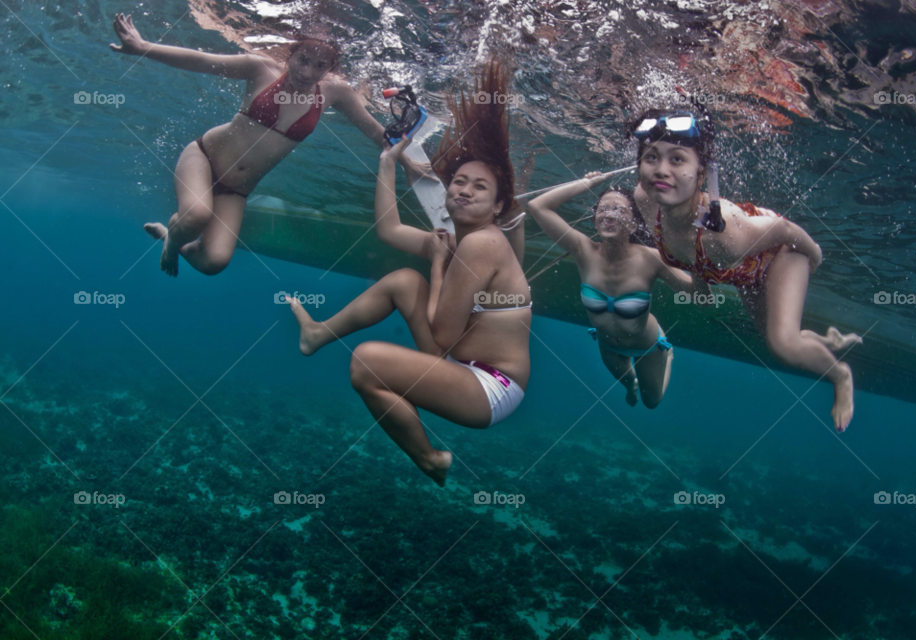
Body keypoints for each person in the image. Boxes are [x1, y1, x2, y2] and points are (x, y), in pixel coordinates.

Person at [286, 61, 530, 486]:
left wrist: (437, 265)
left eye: (479, 187)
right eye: (459, 181)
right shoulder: (460, 238)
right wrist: (387, 163)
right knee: (403, 280)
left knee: (366, 363)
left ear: (496, 208)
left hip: (491, 388)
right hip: (463, 361)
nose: (463, 190)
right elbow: (390, 230)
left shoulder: (483, 242)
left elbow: (441, 335)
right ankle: (318, 334)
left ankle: (429, 458)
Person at [109, 13, 433, 276]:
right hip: (204, 158)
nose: (307, 72)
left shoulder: (336, 94)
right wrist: (142, 47)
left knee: (214, 263)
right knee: (195, 216)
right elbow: (200, 60)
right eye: (302, 60)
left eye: (320, 66)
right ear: (290, 54)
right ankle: (171, 246)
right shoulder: (259, 69)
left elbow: (375, 131)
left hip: (236, 190)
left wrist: (407, 165)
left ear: (330, 69)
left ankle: (172, 237)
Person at [631, 109, 861, 431]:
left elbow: (783, 230)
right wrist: (700, 290)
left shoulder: (726, 233)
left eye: (678, 159)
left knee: (783, 345)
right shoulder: (645, 200)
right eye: (651, 157)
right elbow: (691, 257)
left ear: (701, 174)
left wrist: (814, 254)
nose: (661, 170)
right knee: (773, 336)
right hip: (743, 274)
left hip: (782, 254)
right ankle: (827, 340)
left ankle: (840, 376)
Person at [528, 174, 702, 407]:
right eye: (603, 209)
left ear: (634, 223)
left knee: (652, 402)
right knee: (629, 382)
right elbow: (537, 206)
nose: (609, 215)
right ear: (595, 218)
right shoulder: (583, 250)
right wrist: (587, 184)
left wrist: (698, 258)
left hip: (646, 345)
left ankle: (666, 352)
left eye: (619, 210)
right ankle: (631, 385)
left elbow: (699, 296)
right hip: (607, 345)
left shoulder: (651, 259)